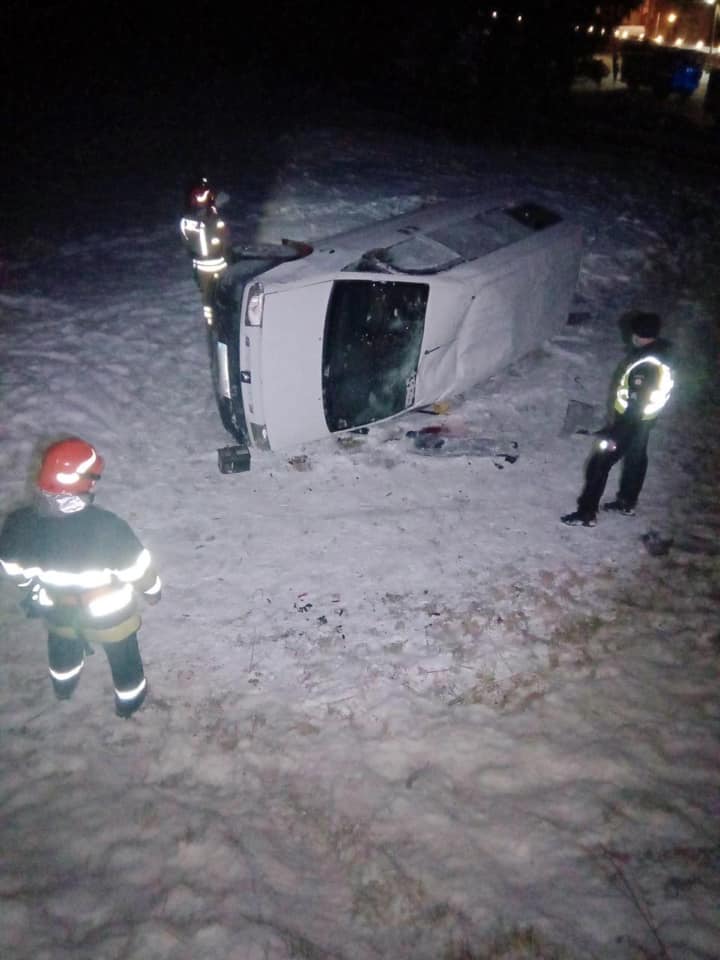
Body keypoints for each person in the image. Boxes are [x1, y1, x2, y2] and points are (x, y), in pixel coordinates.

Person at [0, 437, 161, 717]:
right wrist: (152, 591)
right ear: (83, 483)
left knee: (62, 648)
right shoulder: (107, 528)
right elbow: (138, 570)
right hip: (111, 616)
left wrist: (31, 586)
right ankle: (130, 701)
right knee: (124, 658)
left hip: (58, 610)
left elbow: (12, 567)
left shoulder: (20, 524)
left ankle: (64, 687)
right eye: (93, 477)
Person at [561, 311, 674, 527]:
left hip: (631, 422)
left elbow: (636, 402)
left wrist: (615, 432)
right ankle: (627, 501)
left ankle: (586, 513)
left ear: (638, 334)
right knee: (636, 459)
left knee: (599, 464)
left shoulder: (645, 366)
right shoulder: (662, 355)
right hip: (646, 421)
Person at [179, 176, 230, 327]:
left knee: (210, 298)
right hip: (215, 264)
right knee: (217, 296)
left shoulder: (186, 220)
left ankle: (214, 323)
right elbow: (223, 237)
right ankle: (219, 323)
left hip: (206, 265)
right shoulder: (211, 218)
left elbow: (186, 242)